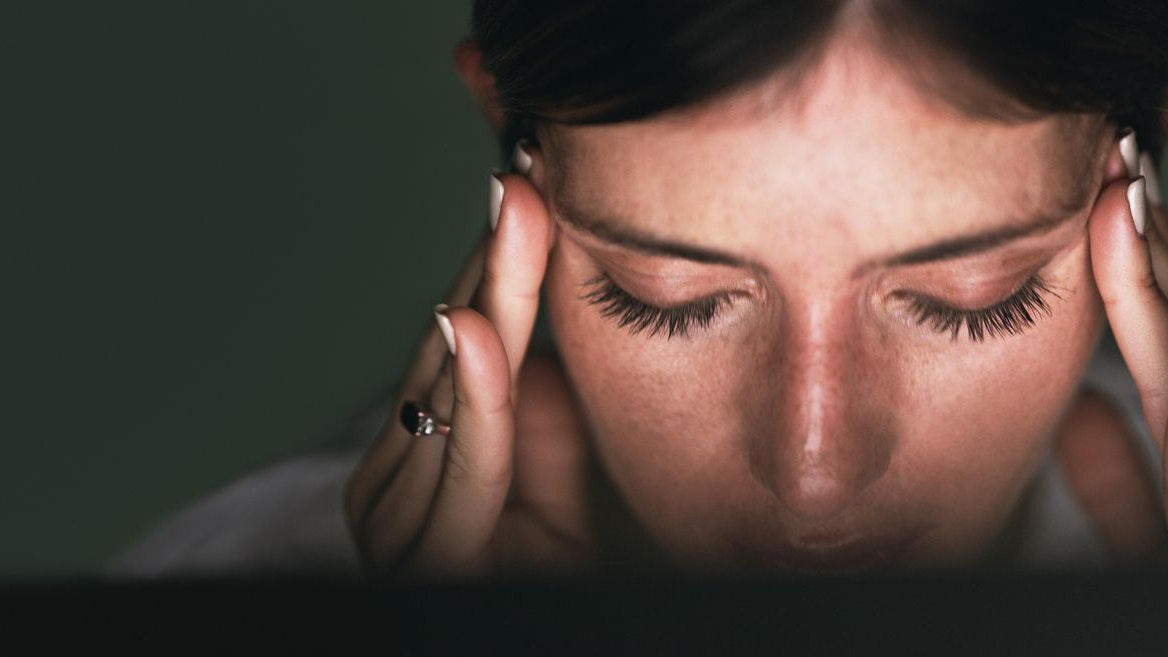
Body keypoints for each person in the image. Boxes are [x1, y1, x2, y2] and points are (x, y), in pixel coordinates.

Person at [113, 0, 1168, 578]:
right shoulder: (236, 595)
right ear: (514, 148)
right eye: (663, 296)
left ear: (1131, 182)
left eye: (973, 297)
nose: (811, 473)